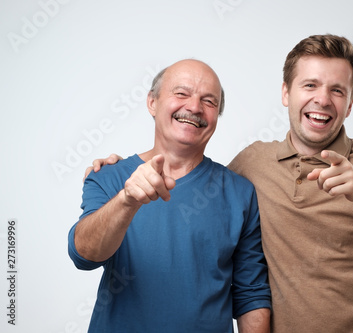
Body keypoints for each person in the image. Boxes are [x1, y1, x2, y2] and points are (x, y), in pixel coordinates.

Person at [88, 34, 353, 332]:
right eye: (310, 85)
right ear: (286, 92)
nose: (322, 99)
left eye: (337, 90)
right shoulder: (252, 163)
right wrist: (121, 168)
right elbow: (195, 179)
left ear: (349, 105)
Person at [68, 59, 271, 332]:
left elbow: (251, 294)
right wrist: (127, 200)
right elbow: (84, 256)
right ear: (152, 102)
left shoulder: (240, 193)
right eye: (181, 93)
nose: (195, 107)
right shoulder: (108, 176)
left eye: (209, 101)